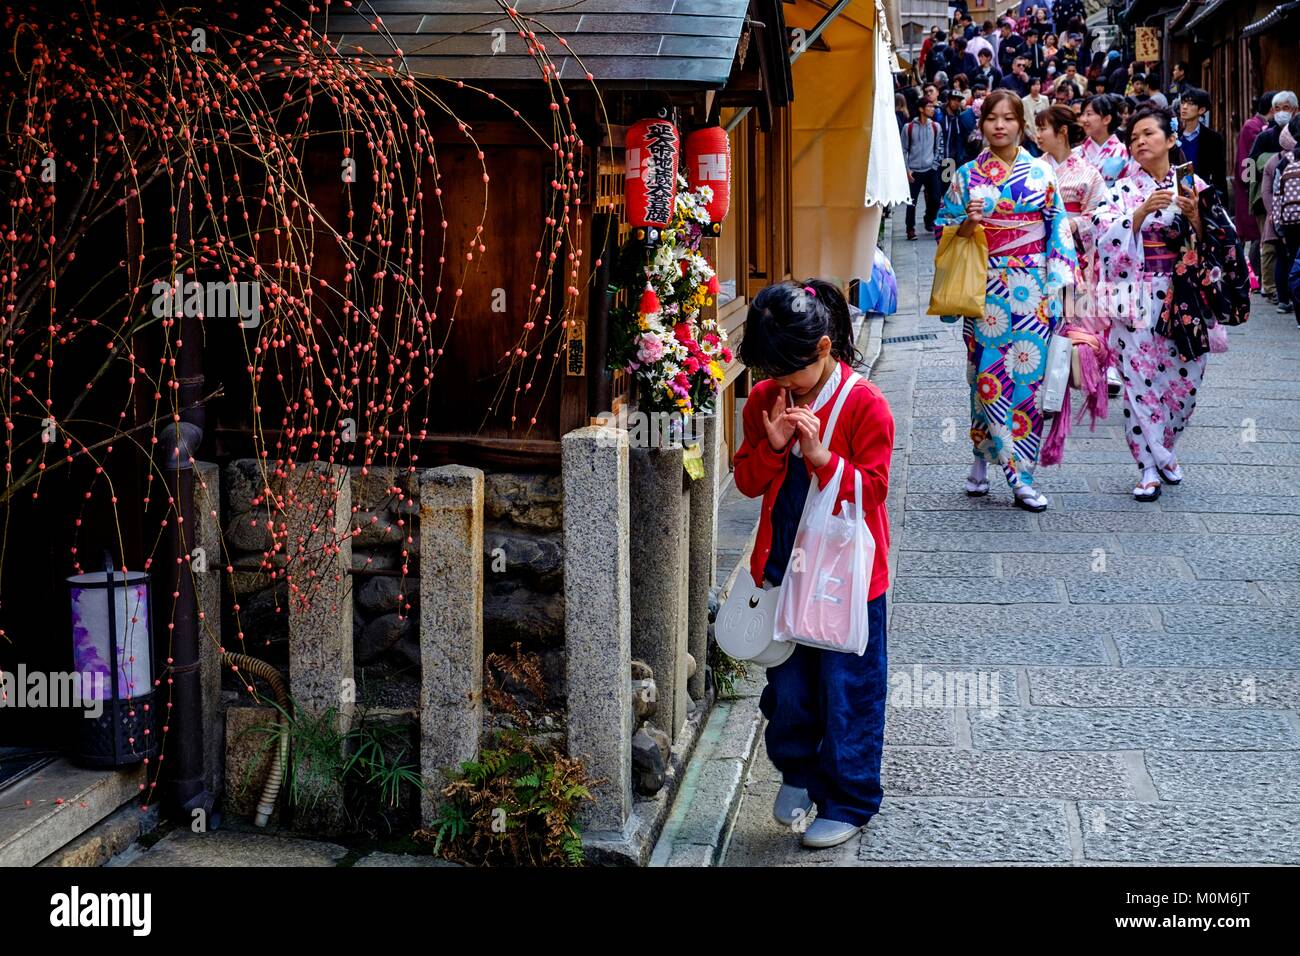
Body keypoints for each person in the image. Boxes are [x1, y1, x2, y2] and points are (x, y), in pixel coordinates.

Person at [734, 279, 894, 851]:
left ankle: (850, 799)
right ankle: (797, 772)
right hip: (783, 566)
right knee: (790, 686)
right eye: (769, 375)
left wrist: (824, 459)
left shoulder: (864, 405)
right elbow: (748, 482)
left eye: (791, 374)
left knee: (848, 687)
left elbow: (872, 490)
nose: (780, 386)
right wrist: (772, 444)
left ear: (825, 349)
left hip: (846, 577)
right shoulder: (763, 402)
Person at [1091, 105, 1248, 501]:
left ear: (1171, 139)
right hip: (1137, 297)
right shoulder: (1122, 192)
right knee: (1140, 385)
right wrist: (1139, 215)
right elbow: (1103, 240)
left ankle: (1167, 447)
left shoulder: (1196, 187)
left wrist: (1196, 220)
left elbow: (1225, 242)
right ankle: (1148, 466)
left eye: (1149, 134)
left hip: (1186, 298)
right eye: (1134, 138)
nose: (1140, 142)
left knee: (1184, 385)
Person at [935, 89, 1077, 512]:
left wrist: (1062, 292)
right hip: (985, 288)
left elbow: (1059, 231)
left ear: (1022, 124)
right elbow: (945, 228)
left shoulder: (1041, 173)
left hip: (1033, 289)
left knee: (1027, 384)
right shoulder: (965, 175)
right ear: (981, 126)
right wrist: (967, 222)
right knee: (985, 378)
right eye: (992, 118)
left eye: (1008, 118)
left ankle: (1019, 476)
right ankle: (985, 459)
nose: (1000, 125)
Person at [1035, 104, 1112, 426]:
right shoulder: (1033, 169)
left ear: (1062, 132)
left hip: (1077, 259)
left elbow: (1103, 214)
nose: (1037, 135)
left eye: (1043, 128)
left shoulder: (1088, 172)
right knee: (1042, 324)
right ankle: (1044, 389)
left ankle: (1056, 390)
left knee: (1070, 325)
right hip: (1039, 257)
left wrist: (1073, 224)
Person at [1237, 92, 1275, 298]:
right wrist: (1249, 183)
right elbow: (1247, 160)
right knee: (1257, 235)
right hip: (1254, 188)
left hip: (1259, 186)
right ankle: (1255, 277)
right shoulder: (1252, 128)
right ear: (1273, 109)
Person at [1271, 118, 1300, 324]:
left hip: (1290, 221)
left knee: (1293, 264)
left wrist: (1278, 225)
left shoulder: (1284, 160)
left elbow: (1276, 195)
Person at [902, 98, 943, 240]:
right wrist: (907, 169)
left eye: (933, 106)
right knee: (911, 201)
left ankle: (929, 219)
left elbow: (939, 147)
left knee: (936, 199)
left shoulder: (936, 126)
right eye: (929, 106)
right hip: (913, 170)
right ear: (921, 109)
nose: (933, 108)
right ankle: (910, 228)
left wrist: (934, 166)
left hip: (931, 169)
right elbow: (903, 150)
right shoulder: (909, 128)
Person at [1176, 87, 1227, 198]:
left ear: (1201, 110)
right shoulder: (1173, 136)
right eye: (1183, 103)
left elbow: (1219, 175)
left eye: (1190, 104)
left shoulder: (1213, 138)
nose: (1184, 107)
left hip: (1202, 195)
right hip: (1175, 194)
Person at [1080, 94, 1130, 187]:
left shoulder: (1126, 154)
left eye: (1089, 114)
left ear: (1106, 119)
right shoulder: (1076, 153)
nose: (1083, 119)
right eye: (1082, 114)